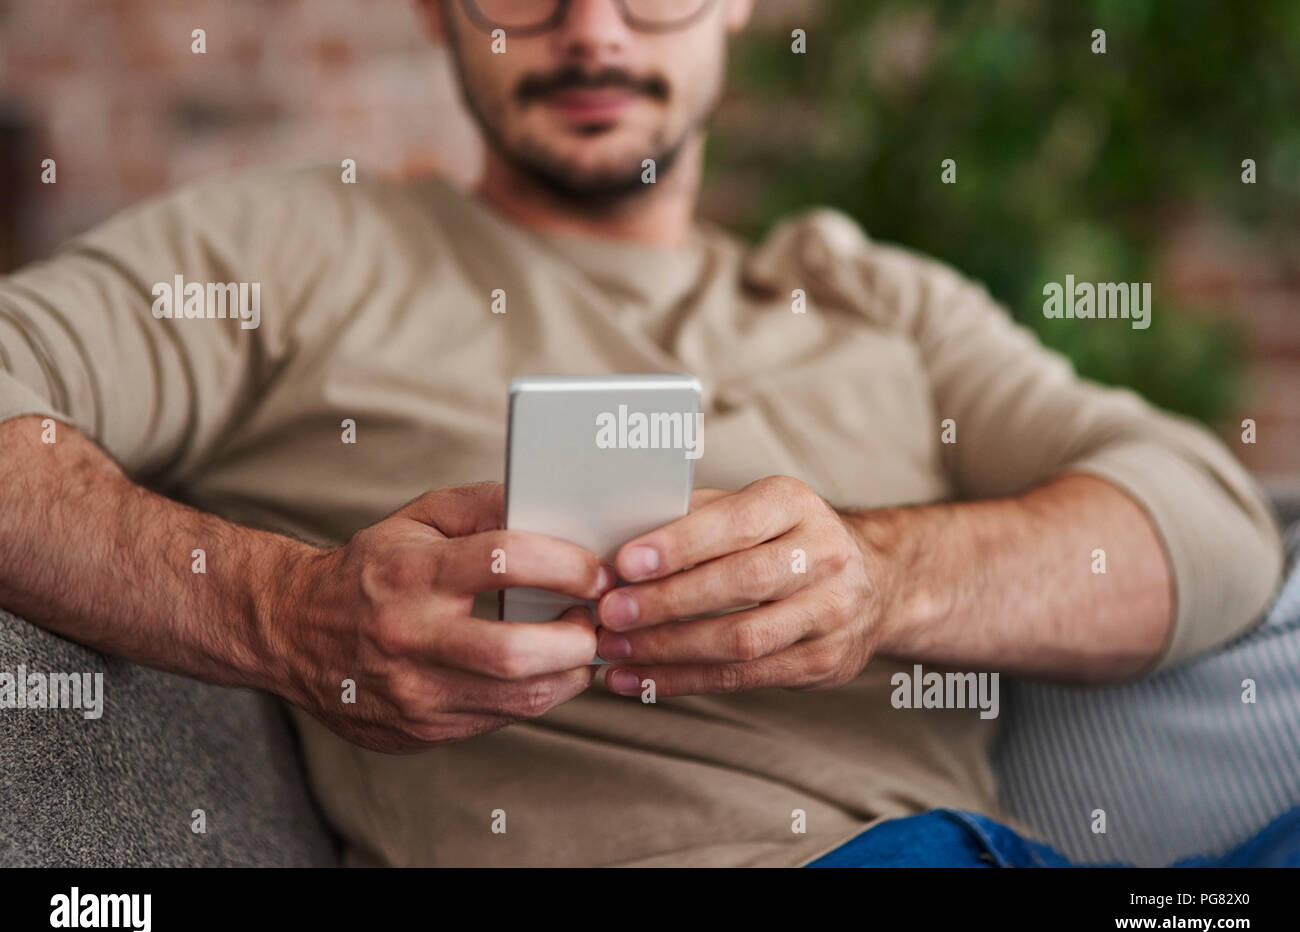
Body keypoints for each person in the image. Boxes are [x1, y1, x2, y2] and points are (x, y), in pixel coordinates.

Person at [0, 0, 1283, 866]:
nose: (592, 32)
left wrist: (887, 579)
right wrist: (284, 614)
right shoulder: (292, 249)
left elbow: (1212, 525)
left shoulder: (866, 293)